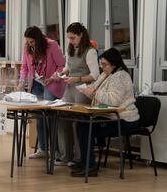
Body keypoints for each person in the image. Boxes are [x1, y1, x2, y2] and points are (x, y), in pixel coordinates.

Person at [71, 48, 139, 177]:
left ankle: (90, 166)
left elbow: (113, 100)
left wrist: (94, 92)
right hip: (109, 115)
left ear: (114, 64)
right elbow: (99, 96)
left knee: (86, 127)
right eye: (101, 64)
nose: (103, 67)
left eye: (105, 64)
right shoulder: (105, 75)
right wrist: (88, 92)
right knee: (81, 124)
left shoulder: (121, 76)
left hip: (124, 118)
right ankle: (85, 162)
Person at [52, 22, 100, 166]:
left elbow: (95, 75)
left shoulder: (90, 51)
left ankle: (80, 158)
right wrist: (60, 74)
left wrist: (78, 78)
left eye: (73, 38)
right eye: (69, 38)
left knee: (78, 124)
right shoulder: (71, 49)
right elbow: (68, 67)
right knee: (62, 119)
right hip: (69, 88)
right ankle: (65, 156)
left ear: (81, 35)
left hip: (83, 89)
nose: (71, 41)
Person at [17, 26, 66, 159]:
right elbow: (24, 67)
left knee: (50, 118)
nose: (29, 44)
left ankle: (55, 150)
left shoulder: (52, 45)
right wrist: (22, 81)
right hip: (36, 85)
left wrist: (54, 76)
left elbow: (62, 65)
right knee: (40, 118)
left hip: (51, 84)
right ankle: (43, 149)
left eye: (32, 42)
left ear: (38, 39)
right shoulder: (27, 47)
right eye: (27, 42)